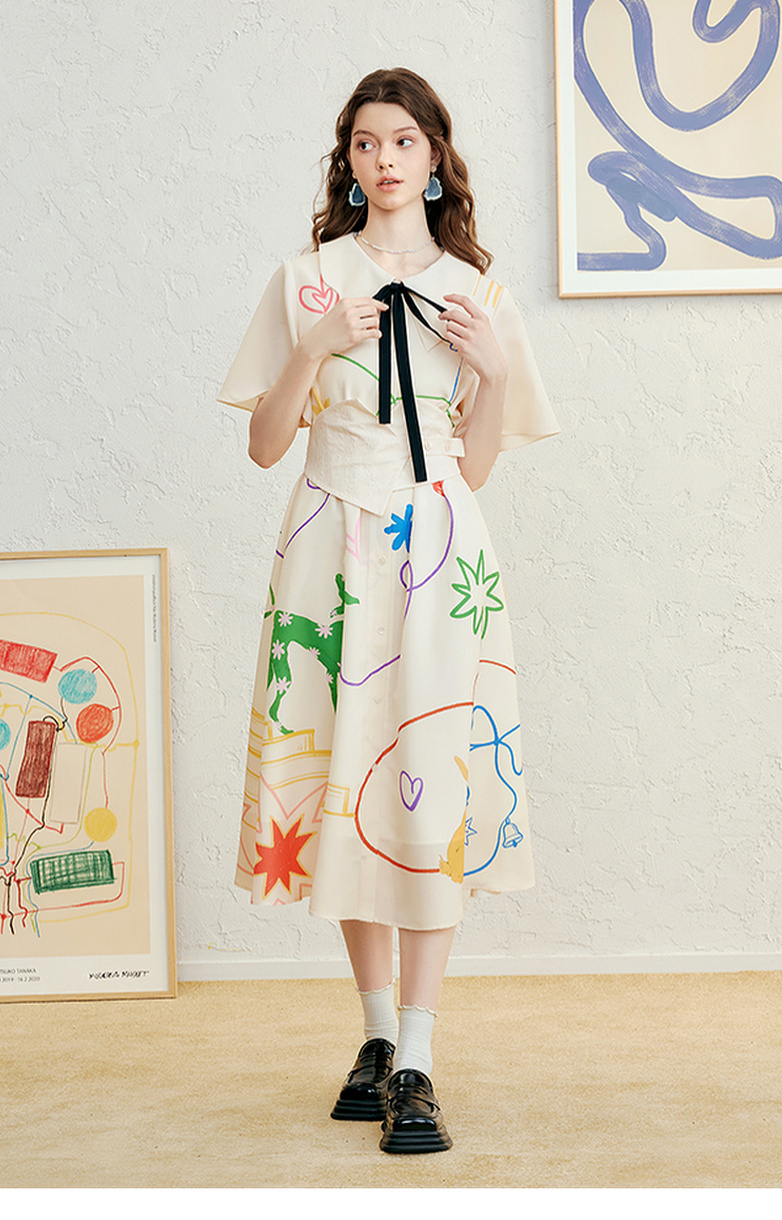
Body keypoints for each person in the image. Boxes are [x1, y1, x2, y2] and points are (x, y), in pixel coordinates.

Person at [216, 67, 559, 1154]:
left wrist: (491, 373)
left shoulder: (475, 290)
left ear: (434, 155)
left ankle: (417, 1053)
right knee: (343, 774)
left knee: (427, 778)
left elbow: (478, 465)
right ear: (348, 160)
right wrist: (313, 349)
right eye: (365, 143)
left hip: (437, 547)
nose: (384, 159)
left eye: (403, 141)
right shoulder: (306, 280)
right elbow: (264, 444)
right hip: (329, 540)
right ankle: (373, 1035)